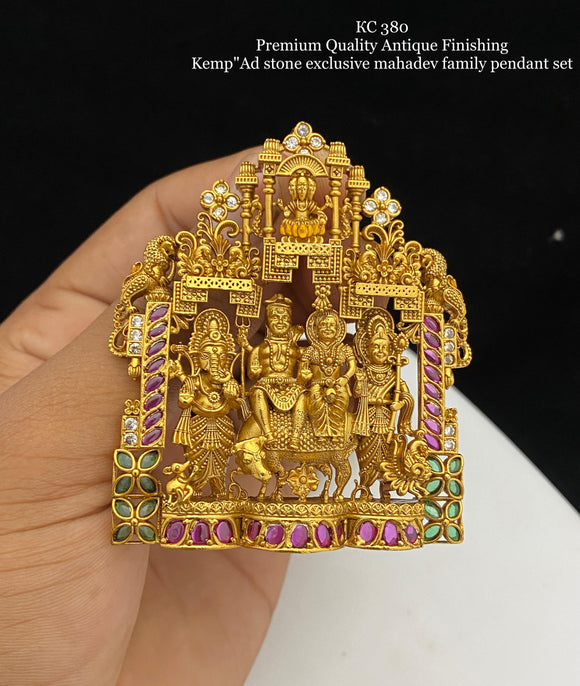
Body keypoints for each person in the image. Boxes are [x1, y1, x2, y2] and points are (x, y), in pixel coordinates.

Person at [0, 148, 289, 685]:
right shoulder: (205, 353)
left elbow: (237, 380)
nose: (213, 346)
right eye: (207, 339)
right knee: (209, 457)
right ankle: (195, 486)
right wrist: (211, 376)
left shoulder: (262, 355)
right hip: (203, 416)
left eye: (216, 340)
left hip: (233, 409)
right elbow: (212, 378)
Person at [239, 293, 307, 449]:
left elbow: (304, 366)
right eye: (275, 317)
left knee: (303, 395)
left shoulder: (294, 348)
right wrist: (255, 370)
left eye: (285, 318)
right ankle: (267, 433)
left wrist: (304, 374)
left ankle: (296, 436)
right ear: (267, 322)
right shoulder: (260, 349)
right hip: (266, 384)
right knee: (257, 392)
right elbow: (252, 374)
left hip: (291, 384)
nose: (280, 321)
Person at [299, 308, 357, 442]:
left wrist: (345, 378)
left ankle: (336, 434)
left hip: (337, 383)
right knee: (315, 402)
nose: (327, 328)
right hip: (316, 384)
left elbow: (352, 367)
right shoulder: (311, 350)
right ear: (316, 330)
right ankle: (320, 434)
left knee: (341, 399)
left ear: (338, 329)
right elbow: (302, 369)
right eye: (323, 325)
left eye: (331, 325)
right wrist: (305, 374)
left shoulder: (344, 349)